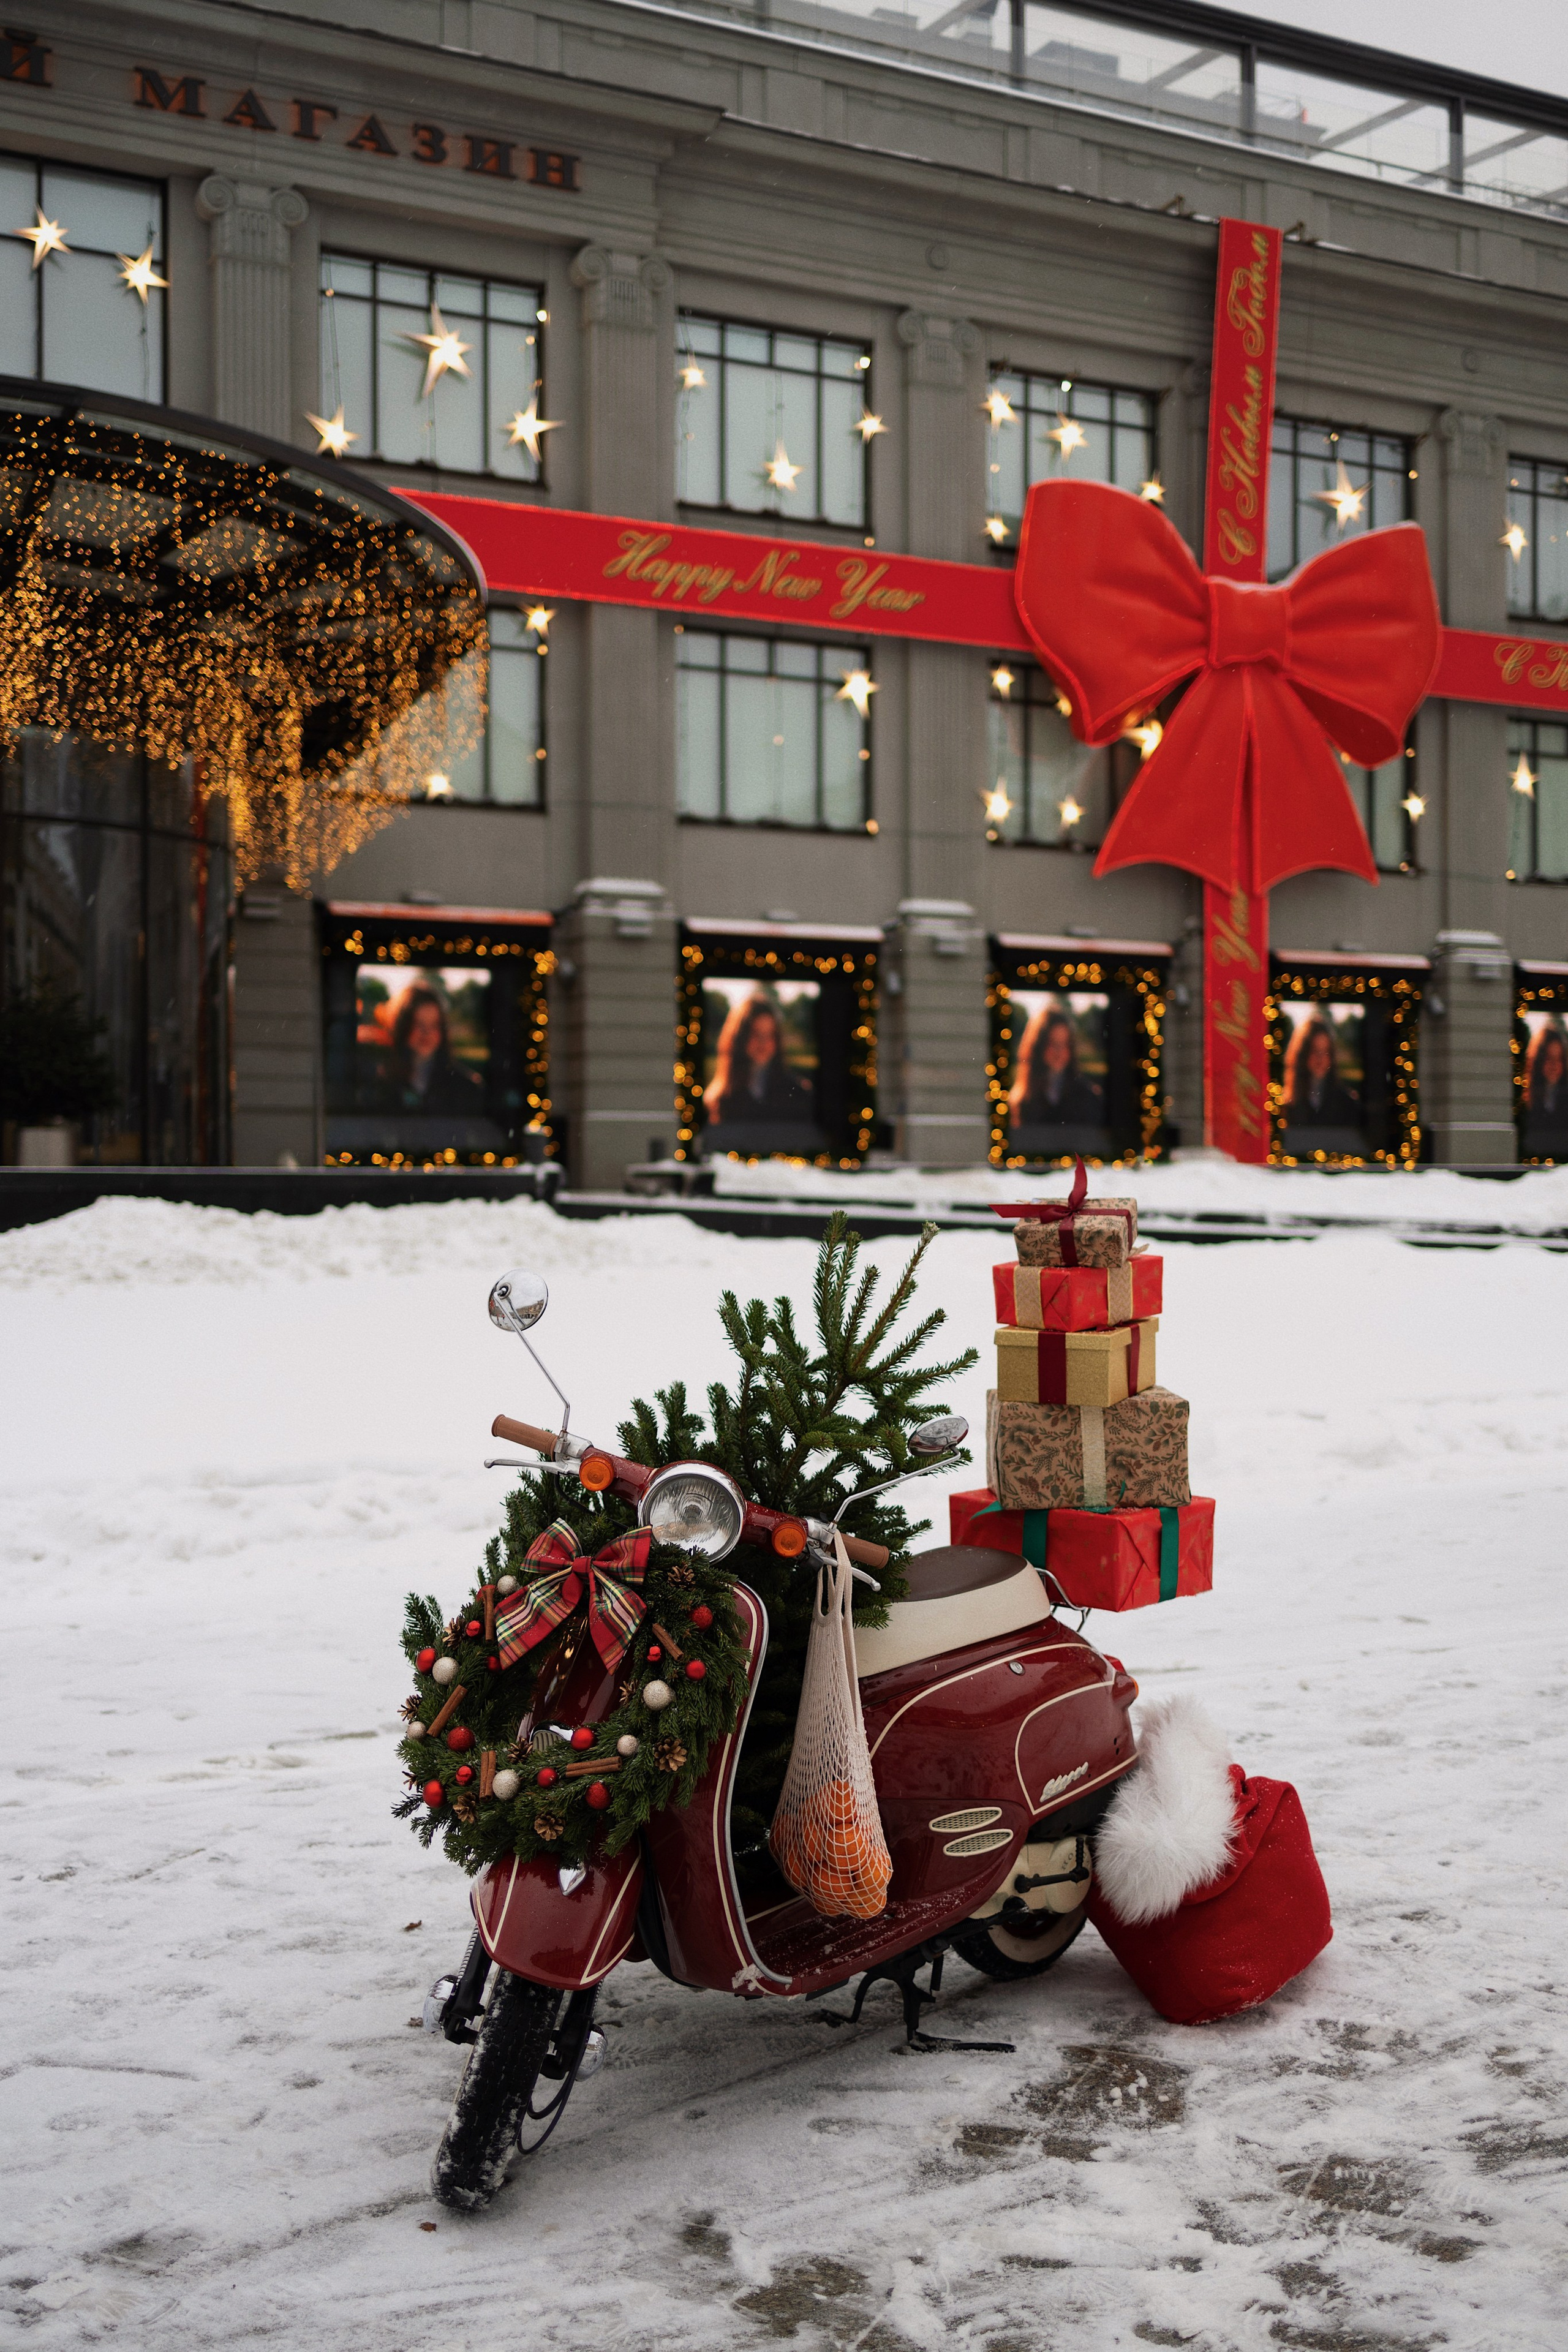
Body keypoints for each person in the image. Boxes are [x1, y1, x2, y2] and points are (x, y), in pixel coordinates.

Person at [704, 992, 812, 1128]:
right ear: (740, 1037)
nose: (763, 1042)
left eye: (769, 1035)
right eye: (756, 1033)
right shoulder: (719, 1097)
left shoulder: (797, 1091)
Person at [384, 984, 484, 1116]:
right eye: (419, 1024)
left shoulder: (467, 1086)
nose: (426, 1033)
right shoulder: (384, 1080)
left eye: (434, 1025)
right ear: (402, 1027)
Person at [1008, 1003, 1103, 1129]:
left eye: (1064, 1045)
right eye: (1053, 1044)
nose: (1059, 1053)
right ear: (1038, 1046)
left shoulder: (1088, 1096)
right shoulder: (1020, 1100)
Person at [1283, 1014, 1362, 1129]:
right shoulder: (1286, 1104)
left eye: (1326, 1052)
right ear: (1302, 1055)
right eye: (1315, 1051)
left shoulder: (1348, 1103)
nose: (1321, 1060)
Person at [1524, 1021, 1568, 1156]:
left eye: (1558, 1059)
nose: (1554, 1066)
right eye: (1549, 1058)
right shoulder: (1526, 1099)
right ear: (1540, 1061)